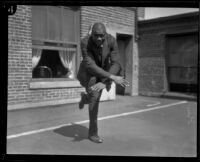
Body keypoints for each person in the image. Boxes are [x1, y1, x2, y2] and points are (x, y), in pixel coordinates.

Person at [77, 22, 129, 143]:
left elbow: (116, 63)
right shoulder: (85, 42)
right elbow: (90, 65)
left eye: (102, 35)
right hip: (88, 73)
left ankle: (86, 97)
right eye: (96, 35)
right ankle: (92, 133)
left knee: (116, 71)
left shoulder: (111, 40)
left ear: (105, 34)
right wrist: (112, 77)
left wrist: (105, 82)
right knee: (94, 99)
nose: (99, 38)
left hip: (104, 71)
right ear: (92, 35)